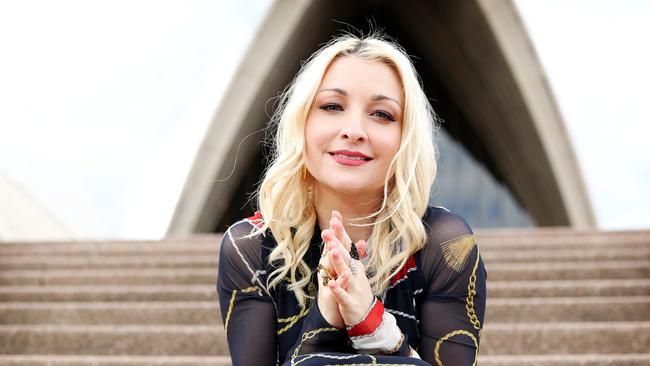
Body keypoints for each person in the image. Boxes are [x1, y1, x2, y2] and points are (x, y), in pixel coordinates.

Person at [217, 32, 487, 366]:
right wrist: (327, 315)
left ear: (406, 137)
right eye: (332, 106)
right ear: (302, 121)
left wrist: (372, 324)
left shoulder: (446, 246)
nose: (354, 130)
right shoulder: (250, 248)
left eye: (382, 114)